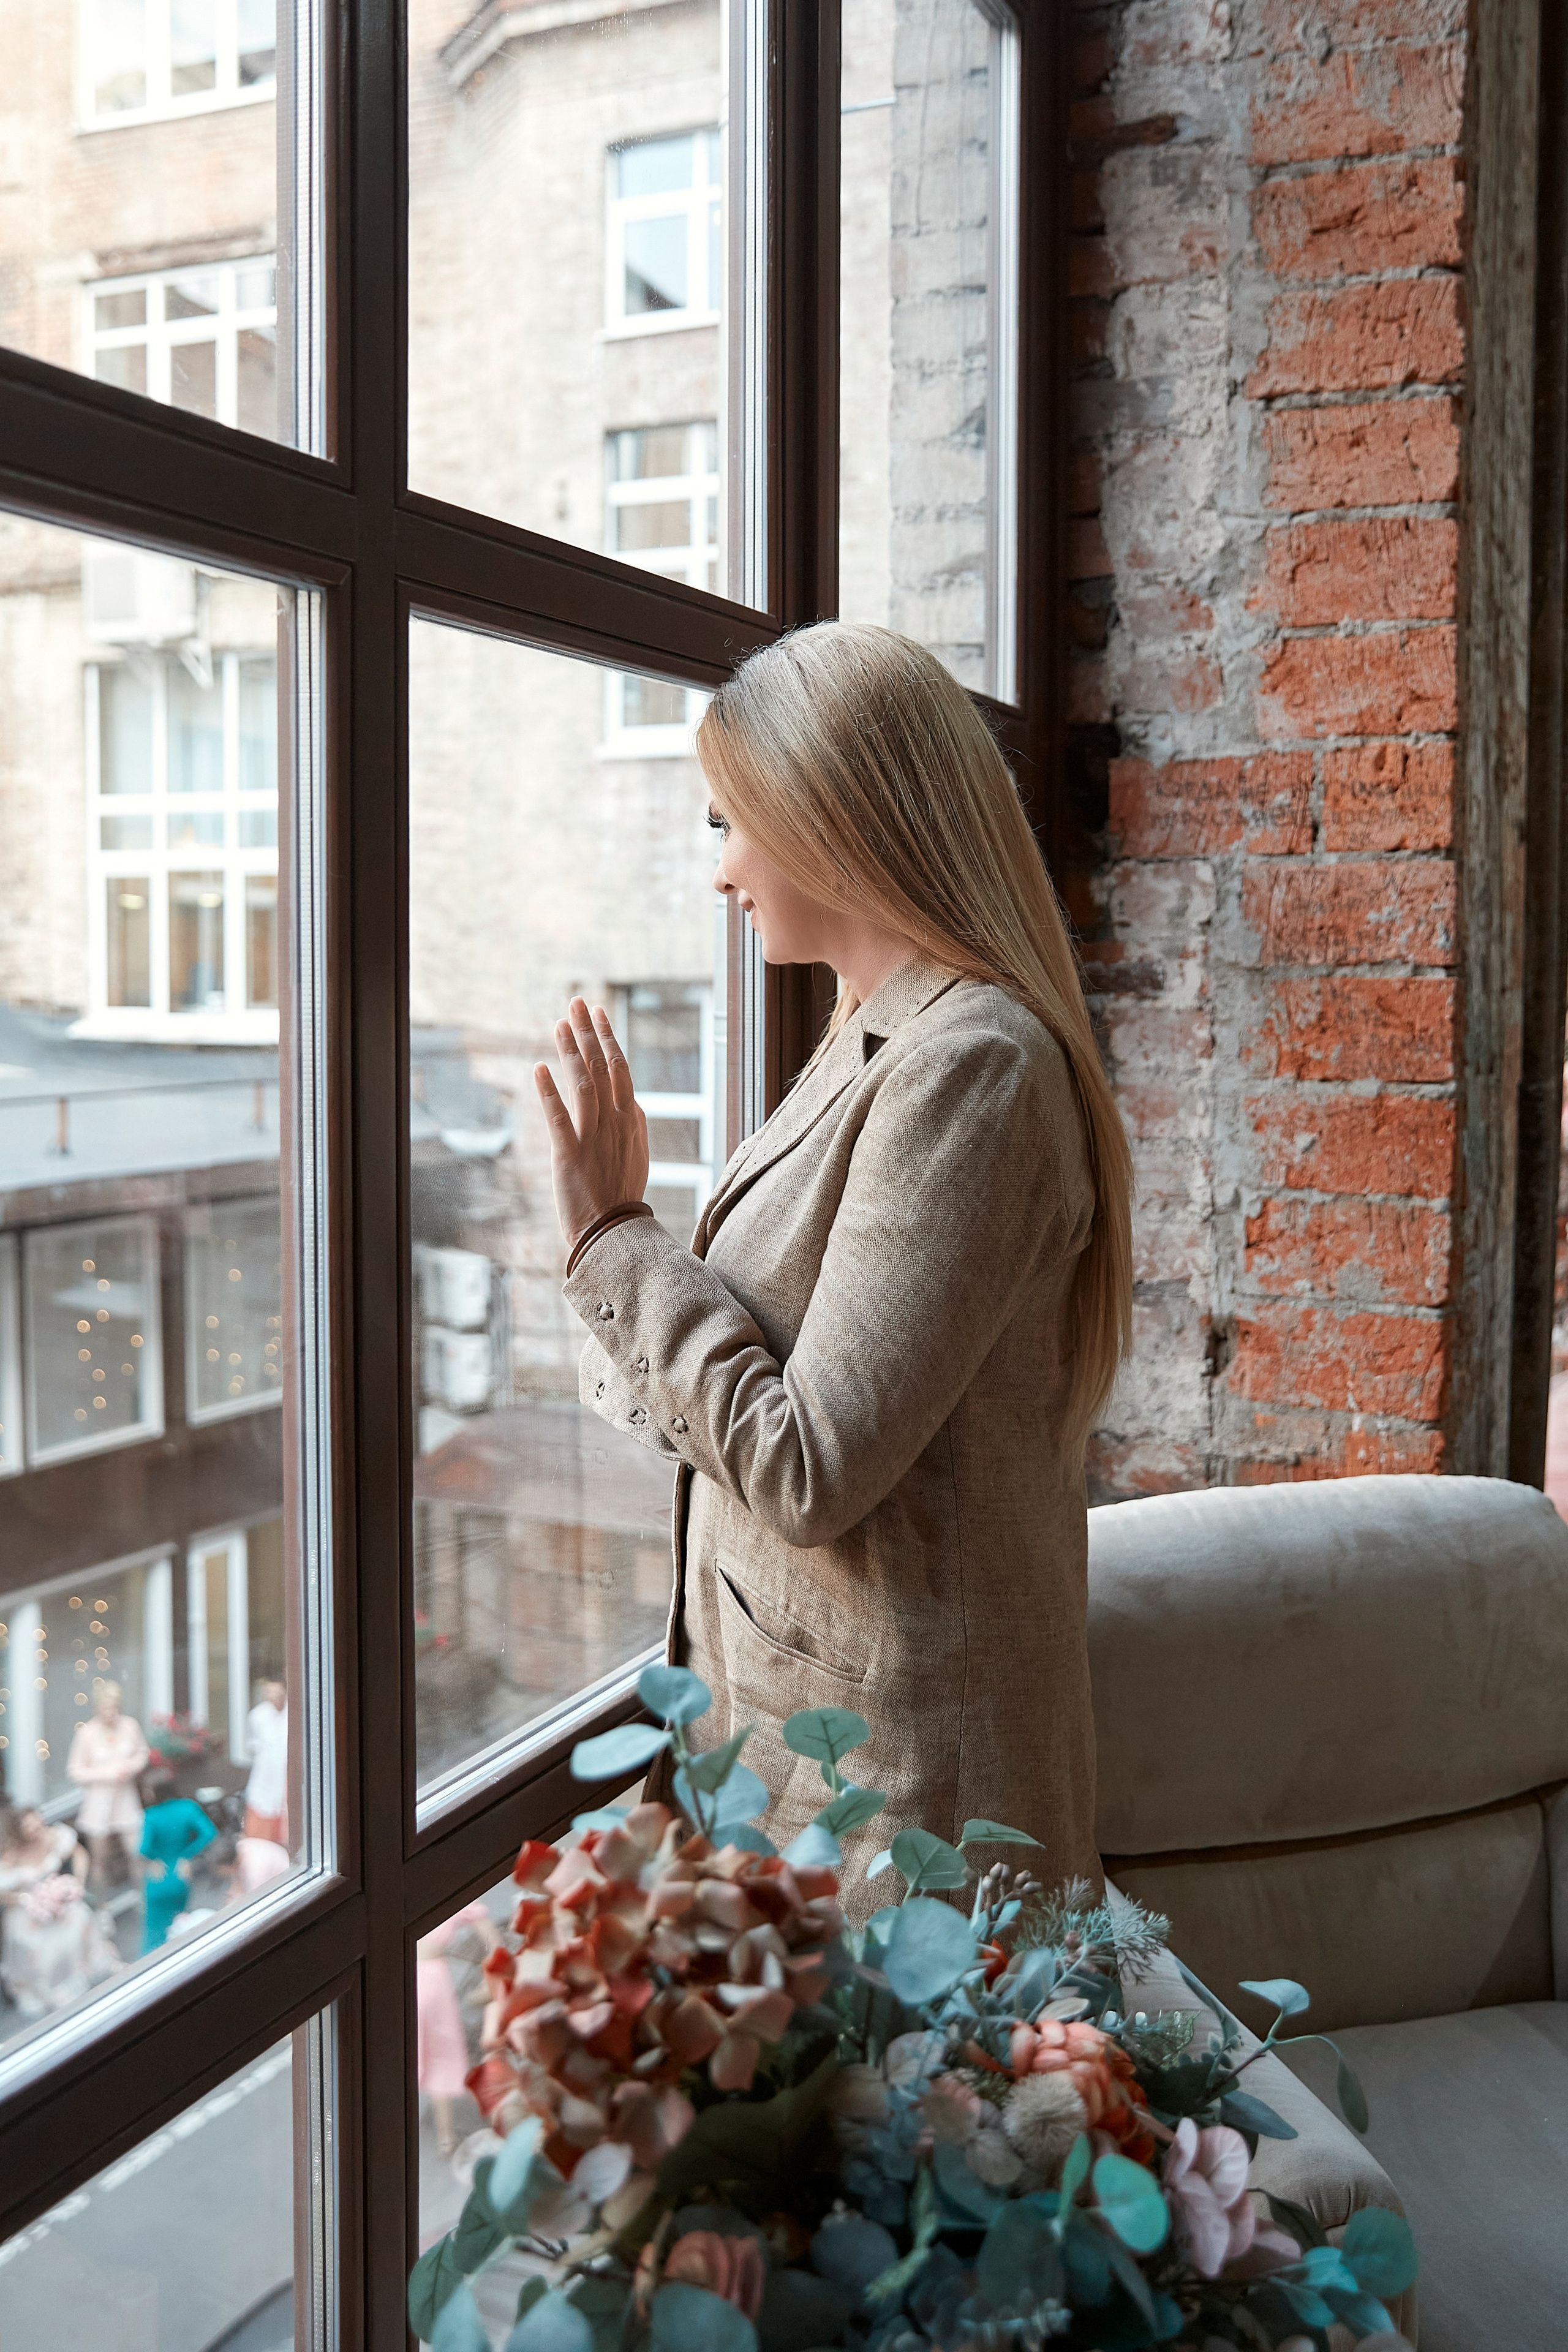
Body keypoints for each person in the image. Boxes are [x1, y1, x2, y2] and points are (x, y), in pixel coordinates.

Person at [533, 623, 1133, 1918]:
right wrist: (616, 1255)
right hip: (797, 1767)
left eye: (728, 823)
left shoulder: (971, 1069)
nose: (722, 872)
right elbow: (739, 1387)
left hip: (910, 1816)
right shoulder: (876, 1030)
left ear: (833, 817)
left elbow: (803, 1467)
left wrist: (612, 1236)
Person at [0, 1803, 120, 2019]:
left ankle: (91, 1971)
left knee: (81, 1920)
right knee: (37, 1947)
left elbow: (79, 1853)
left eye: (38, 1824)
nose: (36, 1830)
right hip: (29, 1910)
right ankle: (54, 1992)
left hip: (61, 1902)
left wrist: (76, 1881)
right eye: (29, 1828)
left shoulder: (54, 1836)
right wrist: (23, 1898)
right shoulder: (11, 1855)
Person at [417, 1900, 499, 2157]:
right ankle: (447, 2139)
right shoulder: (446, 1896)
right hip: (433, 1981)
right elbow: (492, 1938)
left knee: (410, 2052)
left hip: (403, 1977)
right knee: (442, 2057)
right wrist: (491, 1975)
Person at [66, 1681, 150, 1893]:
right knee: (100, 1859)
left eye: (114, 1708)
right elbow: (75, 1770)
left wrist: (130, 1768)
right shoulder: (88, 1733)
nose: (111, 1713)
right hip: (99, 1801)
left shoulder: (129, 1725)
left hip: (126, 1798)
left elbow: (142, 1753)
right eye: (106, 1708)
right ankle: (101, 1902)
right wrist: (107, 1774)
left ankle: (143, 1897)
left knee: (137, 1852)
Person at [137, 1765, 217, 1953]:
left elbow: (143, 1849)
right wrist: (186, 1856)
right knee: (179, 1927)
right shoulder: (188, 1807)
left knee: (154, 1935)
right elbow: (209, 1833)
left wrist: (154, 1859)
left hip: (159, 1876)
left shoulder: (151, 1816)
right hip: (181, 1875)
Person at [243, 1678, 289, 1847]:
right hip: (265, 1773)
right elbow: (252, 1744)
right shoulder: (258, 1715)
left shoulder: (292, 1714)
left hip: (286, 1773)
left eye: (277, 1692)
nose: (273, 1696)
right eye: (269, 1692)